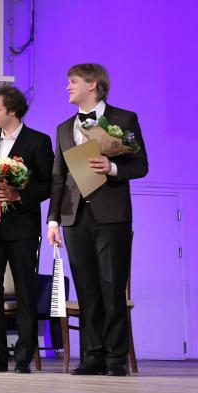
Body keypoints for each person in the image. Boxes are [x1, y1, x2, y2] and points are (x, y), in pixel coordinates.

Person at [47, 63, 148, 376]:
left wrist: (112, 167)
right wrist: (53, 221)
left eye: (73, 81)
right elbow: (58, 177)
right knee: (86, 289)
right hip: (74, 217)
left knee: (112, 287)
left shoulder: (123, 119)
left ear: (92, 84)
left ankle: (116, 358)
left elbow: (141, 165)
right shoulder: (64, 128)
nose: (68, 87)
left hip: (111, 215)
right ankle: (92, 357)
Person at [0, 86, 54, 374]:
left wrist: (20, 195)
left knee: (25, 292)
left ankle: (23, 357)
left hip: (23, 228)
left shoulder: (38, 141)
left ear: (13, 111)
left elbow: (49, 184)